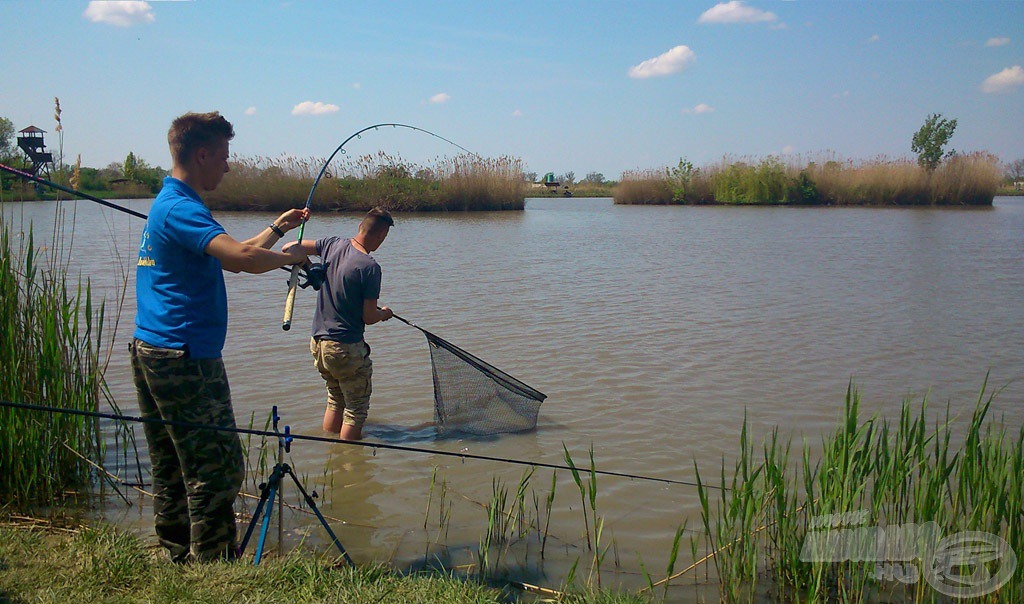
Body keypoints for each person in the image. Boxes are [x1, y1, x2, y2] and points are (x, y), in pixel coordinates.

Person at [130, 111, 309, 563]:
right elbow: (243, 259)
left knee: (171, 464)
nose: (228, 166)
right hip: (183, 355)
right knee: (219, 468)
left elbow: (233, 255)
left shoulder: (169, 203)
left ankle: (175, 554)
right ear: (203, 153)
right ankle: (215, 566)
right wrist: (289, 258)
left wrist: (278, 229)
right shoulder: (182, 207)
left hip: (154, 348)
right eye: (224, 156)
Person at [282, 207, 394, 440]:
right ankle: (349, 465)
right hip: (346, 348)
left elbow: (288, 247)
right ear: (381, 235)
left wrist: (308, 266)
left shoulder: (332, 244)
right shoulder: (370, 267)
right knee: (355, 410)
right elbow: (368, 317)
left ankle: (330, 454)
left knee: (335, 399)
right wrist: (384, 313)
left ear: (360, 227)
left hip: (319, 344)